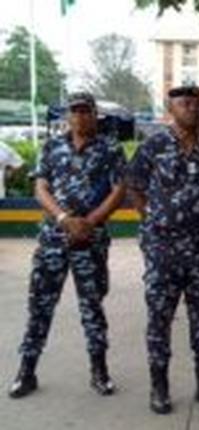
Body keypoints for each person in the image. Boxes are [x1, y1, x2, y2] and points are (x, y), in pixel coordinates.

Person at [126, 85, 199, 414]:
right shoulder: (154, 146)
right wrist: (150, 221)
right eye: (184, 103)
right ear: (170, 109)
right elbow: (134, 185)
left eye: (196, 103)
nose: (191, 108)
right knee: (159, 320)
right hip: (164, 251)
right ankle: (159, 387)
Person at [8, 92, 126, 399]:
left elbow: (119, 189)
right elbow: (40, 187)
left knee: (92, 307)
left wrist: (90, 221)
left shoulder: (110, 148)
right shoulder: (51, 147)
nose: (80, 116)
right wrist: (63, 219)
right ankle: (26, 371)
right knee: (40, 306)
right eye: (74, 111)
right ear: (67, 115)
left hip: (92, 240)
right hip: (53, 240)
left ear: (95, 114)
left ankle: (99, 372)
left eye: (86, 111)